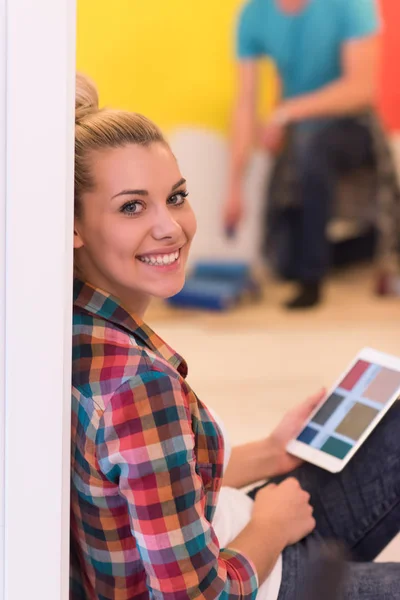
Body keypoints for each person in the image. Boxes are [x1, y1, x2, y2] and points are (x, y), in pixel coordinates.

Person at [70, 73, 400, 600]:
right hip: (262, 573)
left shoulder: (80, 326)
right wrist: (271, 527)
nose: (170, 227)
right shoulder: (136, 386)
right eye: (133, 206)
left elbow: (152, 485)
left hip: (240, 530)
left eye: (175, 197)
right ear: (71, 226)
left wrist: (272, 452)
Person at [223, 0, 382, 309]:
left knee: (313, 145)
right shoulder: (254, 13)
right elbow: (245, 103)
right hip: (298, 130)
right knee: (283, 262)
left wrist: (287, 112)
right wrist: (234, 187)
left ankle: (313, 279)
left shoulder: (352, 5)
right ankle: (367, 245)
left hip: (354, 127)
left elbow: (361, 89)